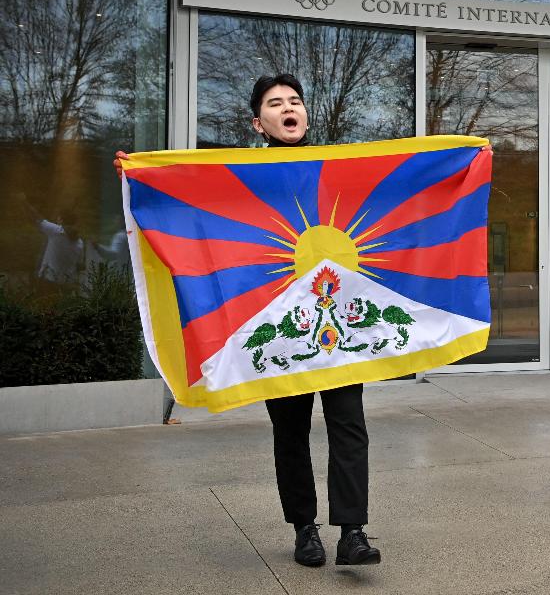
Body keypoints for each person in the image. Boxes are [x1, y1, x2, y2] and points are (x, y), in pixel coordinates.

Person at [116, 74, 381, 567]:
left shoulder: (335, 167)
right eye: (275, 103)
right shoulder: (242, 174)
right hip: (279, 325)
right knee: (291, 431)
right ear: (258, 123)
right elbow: (191, 199)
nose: (289, 108)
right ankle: (305, 529)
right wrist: (140, 176)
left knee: (349, 425)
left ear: (306, 114)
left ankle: (353, 532)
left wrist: (463, 160)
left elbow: (393, 187)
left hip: (338, 323)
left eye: (295, 101)